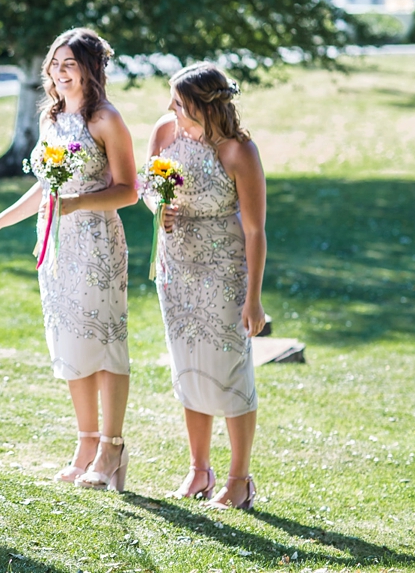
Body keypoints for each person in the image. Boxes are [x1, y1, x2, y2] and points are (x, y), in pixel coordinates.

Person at [0, 28, 137, 491]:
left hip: (97, 240)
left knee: (103, 343)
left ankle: (112, 446)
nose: (59, 73)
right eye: (55, 64)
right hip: (55, 244)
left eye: (69, 64)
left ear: (90, 69)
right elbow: (44, 188)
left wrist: (78, 204)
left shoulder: (104, 119)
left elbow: (128, 190)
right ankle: (85, 442)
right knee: (68, 342)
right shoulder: (50, 118)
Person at [145, 62, 266, 510]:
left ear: (201, 105)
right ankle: (199, 470)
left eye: (179, 103)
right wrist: (160, 209)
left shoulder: (238, 152)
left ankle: (239, 480)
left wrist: (253, 298)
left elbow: (255, 231)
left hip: (223, 269)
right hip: (175, 265)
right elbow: (147, 187)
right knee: (187, 364)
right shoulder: (165, 132)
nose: (171, 110)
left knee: (231, 369)